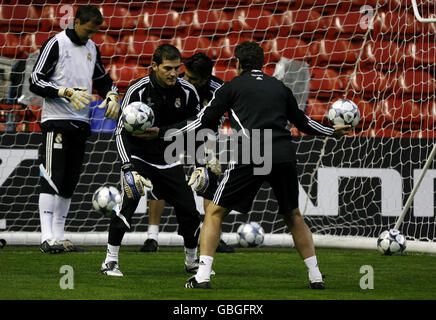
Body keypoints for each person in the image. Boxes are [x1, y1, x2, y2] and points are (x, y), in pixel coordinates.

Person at [149, 41, 351, 289]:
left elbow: (203, 120)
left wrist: (164, 132)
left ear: (236, 64)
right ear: (262, 63)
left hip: (253, 150)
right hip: (283, 152)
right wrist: (332, 131)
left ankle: (201, 277)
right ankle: (316, 276)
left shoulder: (231, 87)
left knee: (214, 212)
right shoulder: (279, 87)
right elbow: (303, 122)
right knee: (294, 216)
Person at [101, 44, 204, 277]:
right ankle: (110, 260)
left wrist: (200, 161)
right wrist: (127, 167)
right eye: (167, 68)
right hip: (139, 157)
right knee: (129, 200)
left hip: (169, 158)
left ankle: (191, 261)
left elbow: (198, 125)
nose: (173, 73)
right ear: (155, 66)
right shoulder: (137, 91)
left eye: (177, 68)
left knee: (189, 210)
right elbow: (120, 131)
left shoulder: (187, 92)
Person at [29, 5, 120, 254]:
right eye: (88, 30)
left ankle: (59, 236)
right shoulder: (56, 43)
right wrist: (64, 92)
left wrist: (112, 95)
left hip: (81, 122)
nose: (90, 36)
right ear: (76, 22)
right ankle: (45, 237)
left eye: (95, 32)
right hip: (56, 120)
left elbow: (102, 79)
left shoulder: (92, 48)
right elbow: (35, 80)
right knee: (52, 176)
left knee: (69, 181)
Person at [140, 52, 234, 254]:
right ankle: (152, 237)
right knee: (159, 182)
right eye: (186, 75)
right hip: (171, 133)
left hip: (201, 136)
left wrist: (209, 152)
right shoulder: (177, 82)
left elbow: (215, 123)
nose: (185, 79)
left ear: (206, 78)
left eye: (192, 78)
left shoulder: (219, 90)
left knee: (209, 180)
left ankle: (214, 237)